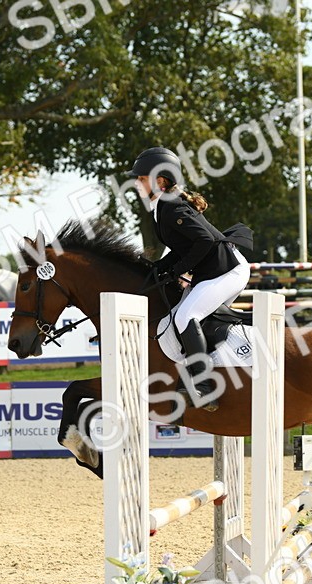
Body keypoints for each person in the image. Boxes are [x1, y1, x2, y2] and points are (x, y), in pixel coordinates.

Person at [128, 146, 253, 410]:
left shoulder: (171, 206)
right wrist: (161, 267)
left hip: (227, 270)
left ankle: (204, 384)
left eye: (141, 179)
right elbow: (184, 246)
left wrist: (179, 270)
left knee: (186, 316)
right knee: (191, 315)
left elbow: (205, 241)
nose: (137, 184)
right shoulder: (163, 205)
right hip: (215, 270)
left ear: (159, 180)